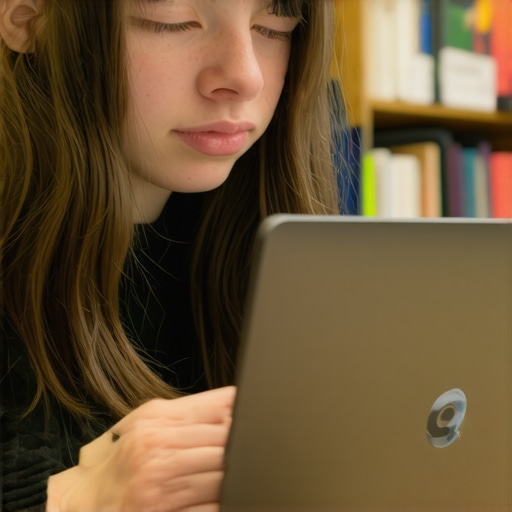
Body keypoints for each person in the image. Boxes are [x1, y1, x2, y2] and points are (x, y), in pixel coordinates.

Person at [0, 0, 343, 510]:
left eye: (275, 25)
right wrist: (76, 501)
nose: (244, 77)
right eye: (172, 20)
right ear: (29, 19)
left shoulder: (275, 260)